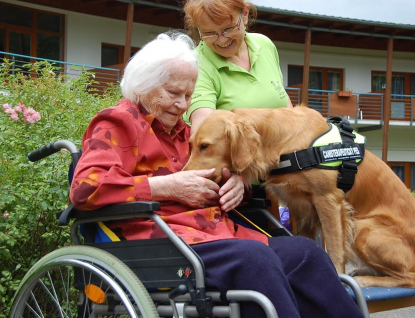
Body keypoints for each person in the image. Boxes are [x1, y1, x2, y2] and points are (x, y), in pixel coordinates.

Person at [69, 32, 364, 318]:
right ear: (143, 87)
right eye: (173, 93)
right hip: (160, 245)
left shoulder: (185, 134)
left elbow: (214, 176)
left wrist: (238, 185)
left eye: (188, 95)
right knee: (254, 260)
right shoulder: (119, 123)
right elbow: (84, 189)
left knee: (305, 253)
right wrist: (165, 186)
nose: (183, 105)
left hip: (216, 238)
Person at [182, 0, 293, 134]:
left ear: (245, 14)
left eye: (228, 29)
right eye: (209, 33)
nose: (221, 40)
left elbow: (283, 101)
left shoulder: (264, 45)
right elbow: (203, 129)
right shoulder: (196, 65)